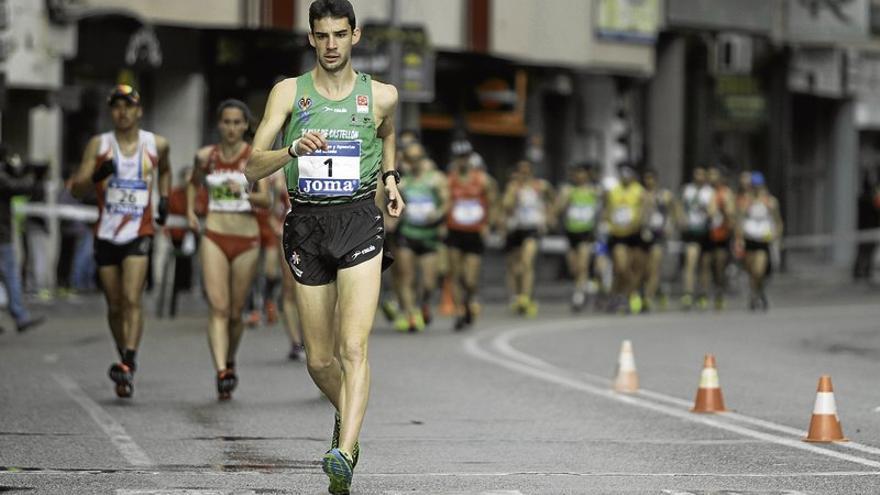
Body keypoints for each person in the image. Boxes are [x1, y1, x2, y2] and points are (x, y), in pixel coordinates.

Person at [244, 0, 403, 492]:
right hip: (306, 222)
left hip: (358, 219)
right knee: (319, 359)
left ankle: (344, 451)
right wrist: (291, 149)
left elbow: (388, 133)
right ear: (311, 39)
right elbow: (250, 167)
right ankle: (348, 418)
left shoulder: (382, 96)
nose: (331, 44)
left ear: (355, 35)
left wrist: (392, 177)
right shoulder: (289, 93)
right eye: (322, 35)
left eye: (340, 34)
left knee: (353, 347)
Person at [69, 84, 171, 398]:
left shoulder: (156, 143)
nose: (122, 112)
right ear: (111, 112)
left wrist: (164, 198)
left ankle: (128, 361)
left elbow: (165, 171)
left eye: (128, 106)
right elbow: (76, 190)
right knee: (114, 305)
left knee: (131, 298)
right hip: (107, 233)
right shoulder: (99, 145)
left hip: (139, 232)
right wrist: (98, 174)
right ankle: (123, 355)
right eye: (116, 106)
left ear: (139, 111)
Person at [188, 99, 269, 400]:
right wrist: (189, 212)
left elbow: (267, 200)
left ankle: (230, 359)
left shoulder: (254, 157)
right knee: (218, 308)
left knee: (236, 313)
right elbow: (192, 184)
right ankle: (221, 370)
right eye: (227, 122)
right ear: (219, 124)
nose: (232, 128)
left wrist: (242, 194)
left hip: (246, 239)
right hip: (215, 235)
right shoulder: (206, 156)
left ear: (246, 126)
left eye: (238, 123)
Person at [445, 139, 498, 330]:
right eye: (458, 158)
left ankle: (469, 300)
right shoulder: (449, 180)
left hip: (475, 232)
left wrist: (489, 225)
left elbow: (493, 204)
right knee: (456, 274)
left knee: (470, 278)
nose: (462, 161)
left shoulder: (483, 180)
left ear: (470, 158)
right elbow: (445, 203)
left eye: (465, 157)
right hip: (455, 231)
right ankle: (459, 311)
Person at [394, 145, 448, 332]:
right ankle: (411, 314)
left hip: (429, 236)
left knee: (428, 284)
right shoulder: (403, 183)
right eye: (410, 159)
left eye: (418, 158)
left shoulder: (436, 180)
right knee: (406, 277)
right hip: (408, 234)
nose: (414, 162)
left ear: (423, 159)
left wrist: (439, 214)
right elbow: (389, 202)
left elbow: (447, 203)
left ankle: (422, 303)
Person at [0, 147, 46, 334]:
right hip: (1, 235)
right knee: (11, 274)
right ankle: (20, 316)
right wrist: (32, 174)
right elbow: (18, 187)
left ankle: (20, 315)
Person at [502, 159, 553, 317]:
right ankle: (516, 296)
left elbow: (552, 199)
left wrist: (549, 216)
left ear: (531, 172)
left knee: (527, 262)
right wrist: (514, 193)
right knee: (515, 268)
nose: (524, 174)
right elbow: (506, 206)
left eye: (527, 171)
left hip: (532, 229)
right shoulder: (513, 187)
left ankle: (525, 297)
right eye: (521, 171)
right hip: (515, 229)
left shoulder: (541, 186)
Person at [556, 162, 601, 312]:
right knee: (574, 268)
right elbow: (559, 209)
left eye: (582, 173)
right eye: (577, 173)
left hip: (586, 233)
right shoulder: (569, 190)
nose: (580, 176)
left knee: (582, 265)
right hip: (571, 232)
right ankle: (587, 285)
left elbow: (603, 209)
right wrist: (564, 199)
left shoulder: (594, 191)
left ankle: (578, 296)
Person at [736, 172, 782, 311]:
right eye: (753, 186)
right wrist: (739, 238)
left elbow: (778, 221)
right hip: (749, 239)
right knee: (751, 271)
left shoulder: (770, 201)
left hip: (763, 239)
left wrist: (777, 236)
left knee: (759, 271)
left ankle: (760, 291)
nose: (755, 188)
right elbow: (739, 220)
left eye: (758, 186)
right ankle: (754, 294)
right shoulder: (746, 201)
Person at [605, 162, 647, 314]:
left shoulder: (639, 191)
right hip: (618, 235)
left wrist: (639, 223)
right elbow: (607, 210)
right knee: (621, 267)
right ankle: (631, 294)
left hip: (634, 234)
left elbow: (644, 211)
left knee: (634, 268)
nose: (625, 176)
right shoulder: (613, 191)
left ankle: (622, 296)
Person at [676, 166, 714, 310]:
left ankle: (703, 293)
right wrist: (681, 219)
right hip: (692, 231)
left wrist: (707, 210)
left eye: (702, 174)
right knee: (690, 261)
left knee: (704, 265)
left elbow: (712, 210)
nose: (699, 177)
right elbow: (679, 206)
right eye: (697, 174)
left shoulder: (709, 192)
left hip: (705, 231)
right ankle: (688, 293)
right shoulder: (687, 190)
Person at [640, 167, 673, 312]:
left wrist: (670, 226)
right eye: (646, 179)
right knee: (644, 268)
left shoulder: (664, 195)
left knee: (654, 267)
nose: (648, 182)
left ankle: (648, 298)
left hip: (658, 234)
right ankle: (660, 290)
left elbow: (672, 212)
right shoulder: (640, 195)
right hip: (643, 234)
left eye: (651, 178)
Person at [706, 166, 735, 310]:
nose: (712, 178)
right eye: (710, 174)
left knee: (719, 262)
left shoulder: (725, 193)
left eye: (714, 175)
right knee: (706, 263)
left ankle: (719, 290)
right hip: (706, 233)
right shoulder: (705, 192)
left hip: (720, 234)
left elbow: (730, 213)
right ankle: (704, 293)